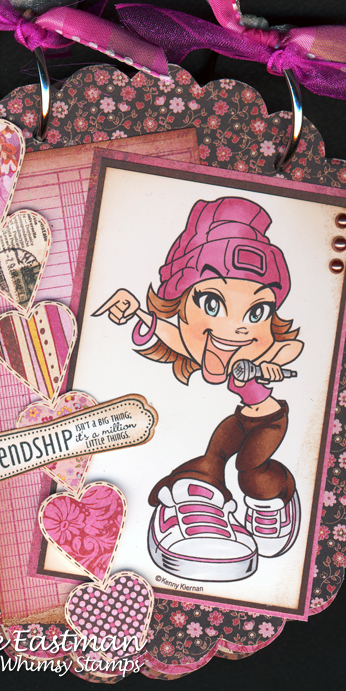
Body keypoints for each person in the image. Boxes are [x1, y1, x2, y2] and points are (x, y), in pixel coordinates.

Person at [94, 197, 303, 581]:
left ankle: (273, 498)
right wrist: (137, 313)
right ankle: (198, 502)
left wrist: (269, 365)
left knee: (249, 469)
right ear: (179, 302)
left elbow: (291, 347)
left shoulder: (265, 350)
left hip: (269, 420)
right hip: (239, 418)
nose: (237, 327)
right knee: (213, 455)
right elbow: (170, 335)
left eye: (257, 312)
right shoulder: (195, 339)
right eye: (211, 302)